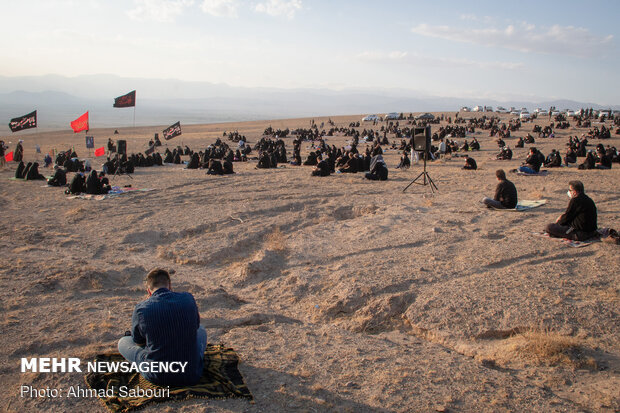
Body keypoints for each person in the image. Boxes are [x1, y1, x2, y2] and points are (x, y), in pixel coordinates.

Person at [118, 268, 206, 387]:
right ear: (170, 286)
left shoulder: (141, 309)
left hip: (158, 375)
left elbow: (138, 341)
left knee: (123, 342)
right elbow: (195, 326)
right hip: (192, 373)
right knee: (201, 330)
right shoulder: (188, 298)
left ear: (149, 291)